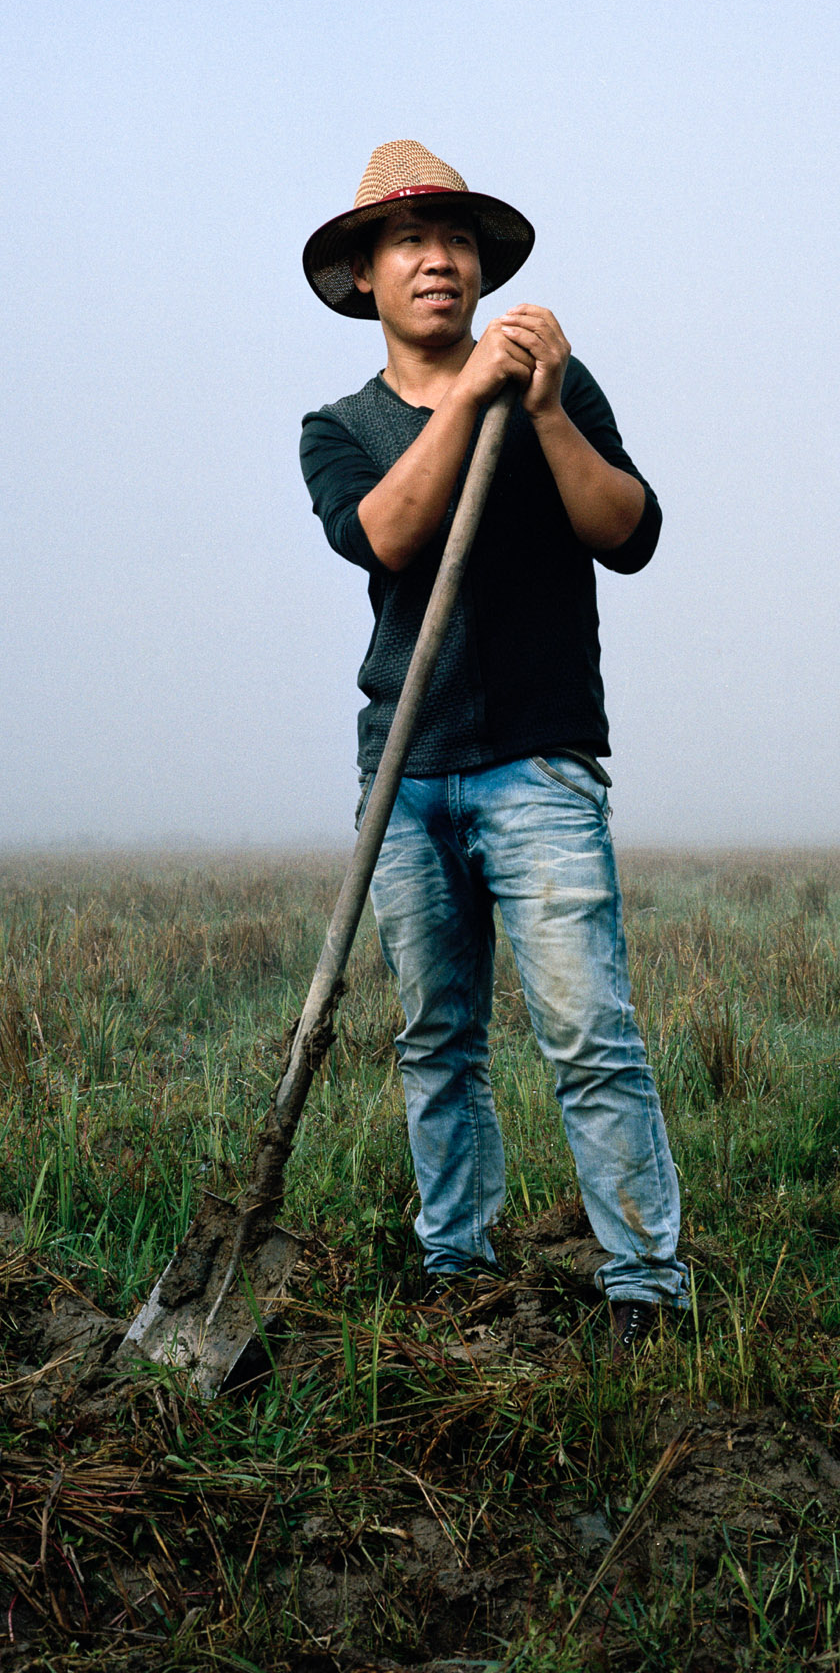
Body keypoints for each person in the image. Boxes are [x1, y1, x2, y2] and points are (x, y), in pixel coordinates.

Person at [298, 141, 688, 1350]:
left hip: (538, 757)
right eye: (410, 241)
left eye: (457, 240)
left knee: (586, 1029)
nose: (438, 261)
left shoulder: (562, 389)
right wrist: (465, 402)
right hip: (406, 774)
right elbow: (389, 539)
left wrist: (543, 411)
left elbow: (630, 533)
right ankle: (455, 1268)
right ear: (366, 277)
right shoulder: (339, 427)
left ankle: (645, 1291)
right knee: (437, 1036)